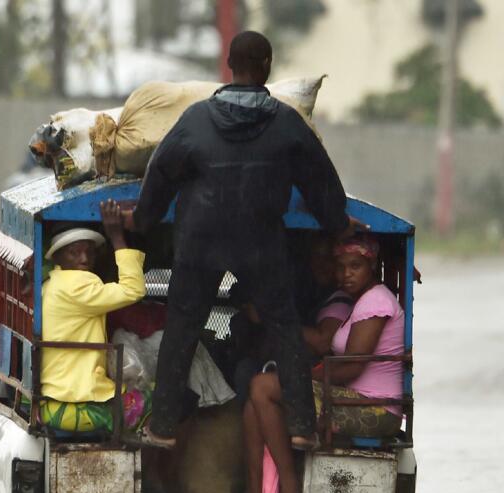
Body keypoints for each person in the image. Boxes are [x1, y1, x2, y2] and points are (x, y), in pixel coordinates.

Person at [129, 30, 351, 451]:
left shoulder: (195, 120)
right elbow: (321, 180)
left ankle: (163, 427)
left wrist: (142, 219)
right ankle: (302, 426)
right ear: (266, 66)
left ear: (229, 66)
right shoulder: (287, 123)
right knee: (284, 325)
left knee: (184, 324)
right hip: (260, 243)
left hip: (200, 242)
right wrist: (338, 223)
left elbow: (159, 173)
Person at [223, 235, 401, 493]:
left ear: (371, 265)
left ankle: (290, 491)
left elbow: (353, 366)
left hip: (372, 406)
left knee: (264, 387)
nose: (346, 274)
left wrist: (302, 377)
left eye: (355, 266)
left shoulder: (377, 302)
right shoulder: (361, 301)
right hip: (350, 398)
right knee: (256, 397)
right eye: (341, 267)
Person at [39, 200, 146, 434]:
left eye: (89, 251)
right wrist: (117, 236)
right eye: (74, 252)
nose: (84, 259)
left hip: (54, 401)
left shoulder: (51, 285)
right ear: (58, 258)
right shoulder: (79, 283)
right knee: (155, 398)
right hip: (80, 403)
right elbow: (134, 290)